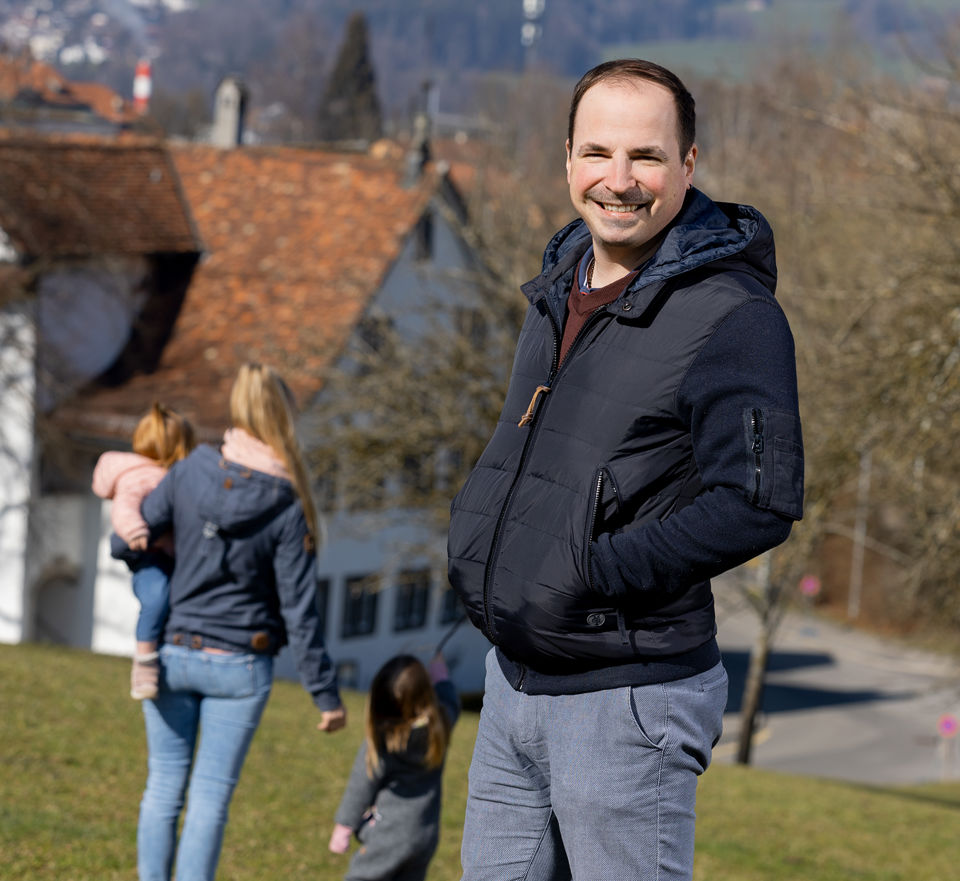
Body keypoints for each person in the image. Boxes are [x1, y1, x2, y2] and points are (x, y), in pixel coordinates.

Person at [446, 59, 804, 881]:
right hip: (513, 680)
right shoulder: (559, 283)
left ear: (688, 164)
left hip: (628, 697)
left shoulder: (733, 316)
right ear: (567, 159)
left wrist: (589, 570)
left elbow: (758, 501)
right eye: (597, 152)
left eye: (645, 156)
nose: (618, 179)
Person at [133, 362, 347, 881]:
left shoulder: (190, 470)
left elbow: (135, 533)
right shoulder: (288, 502)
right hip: (240, 665)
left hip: (174, 651)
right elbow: (299, 609)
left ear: (236, 405)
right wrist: (324, 694)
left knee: (163, 786)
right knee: (209, 799)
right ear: (284, 415)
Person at [92, 402, 195, 700]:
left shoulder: (167, 474)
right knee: (157, 597)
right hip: (150, 556)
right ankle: (144, 660)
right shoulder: (141, 474)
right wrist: (136, 530)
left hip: (169, 555)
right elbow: (124, 506)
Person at [328, 653, 460, 881]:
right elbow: (452, 702)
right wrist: (441, 677)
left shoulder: (383, 741)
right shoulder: (441, 723)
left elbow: (361, 784)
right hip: (424, 835)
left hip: (387, 834)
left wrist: (344, 826)